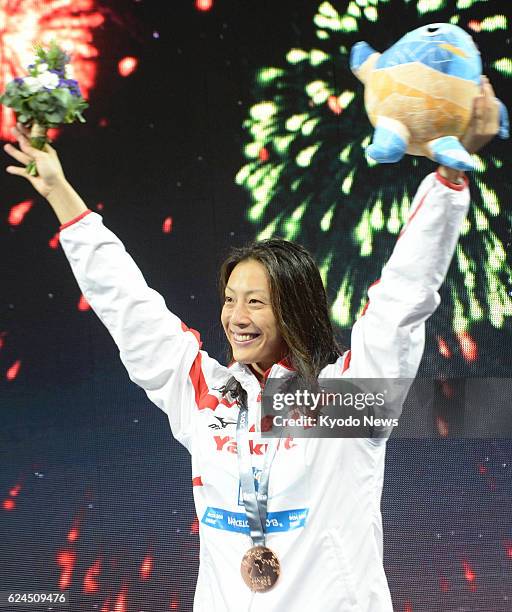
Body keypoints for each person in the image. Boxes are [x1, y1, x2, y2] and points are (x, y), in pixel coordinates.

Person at [4, 78, 499, 611]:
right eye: (229, 299)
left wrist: (449, 179)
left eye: (256, 303)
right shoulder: (204, 396)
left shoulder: (340, 404)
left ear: (295, 310)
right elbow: (128, 307)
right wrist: (59, 193)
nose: (235, 318)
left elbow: (402, 300)